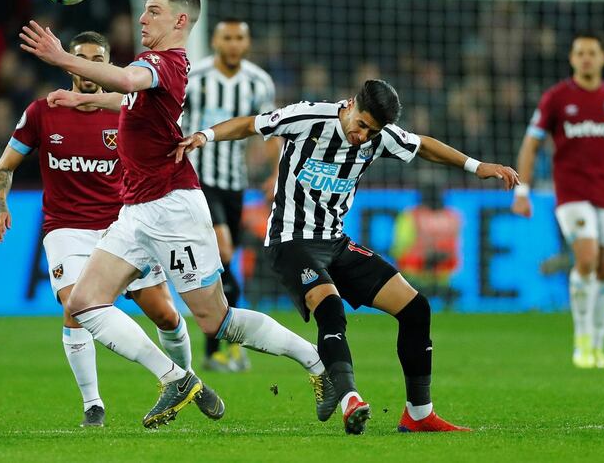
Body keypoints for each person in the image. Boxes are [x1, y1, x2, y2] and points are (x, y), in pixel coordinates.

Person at [19, 0, 332, 430]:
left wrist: (62, 58)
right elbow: (128, 95)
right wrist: (87, 97)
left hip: (173, 208)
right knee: (85, 303)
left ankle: (315, 361)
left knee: (216, 321)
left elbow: (129, 81)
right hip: (136, 210)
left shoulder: (165, 63)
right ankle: (176, 378)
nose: (143, 20)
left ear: (179, 21)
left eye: (153, 12)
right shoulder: (153, 69)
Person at [173, 79, 519, 433]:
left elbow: (424, 146)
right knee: (331, 309)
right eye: (362, 125)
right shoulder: (309, 118)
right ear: (351, 104)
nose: (364, 136)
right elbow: (250, 124)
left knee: (416, 309)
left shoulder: (380, 137)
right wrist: (205, 136)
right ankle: (349, 399)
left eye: (374, 131)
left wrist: (478, 167)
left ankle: (418, 414)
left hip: (335, 243)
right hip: (291, 241)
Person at [0, 31, 222, 427]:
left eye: (99, 59)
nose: (91, 66)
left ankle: (185, 380)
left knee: (165, 315)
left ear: (109, 64)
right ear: (71, 62)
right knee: (75, 305)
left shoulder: (127, 111)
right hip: (67, 229)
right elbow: (4, 167)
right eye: (83, 58)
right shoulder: (43, 112)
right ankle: (94, 404)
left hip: (124, 226)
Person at [512, 31, 604, 369]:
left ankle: (598, 348)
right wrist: (523, 190)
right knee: (585, 257)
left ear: (603, 57)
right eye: (580, 53)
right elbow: (531, 143)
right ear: (572, 58)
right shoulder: (557, 98)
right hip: (571, 194)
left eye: (592, 53)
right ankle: (581, 343)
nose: (586, 58)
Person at [183, 17, 280, 372]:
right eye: (228, 37)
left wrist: (275, 173)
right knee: (222, 251)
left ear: (247, 42)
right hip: (196, 181)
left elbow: (274, 130)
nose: (234, 44)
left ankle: (218, 348)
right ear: (215, 41)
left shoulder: (258, 83)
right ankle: (228, 343)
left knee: (221, 265)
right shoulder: (194, 78)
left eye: (240, 37)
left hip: (235, 183)